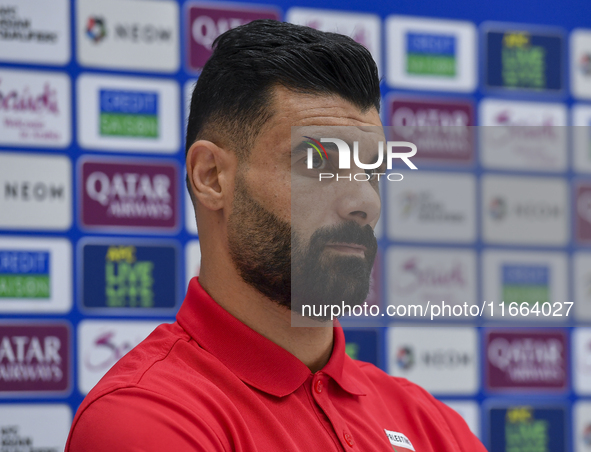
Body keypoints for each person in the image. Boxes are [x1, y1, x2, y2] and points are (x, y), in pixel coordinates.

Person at [66, 20, 487, 451]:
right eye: (317, 162)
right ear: (211, 177)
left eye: (372, 168)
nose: (366, 200)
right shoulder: (145, 418)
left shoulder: (432, 423)